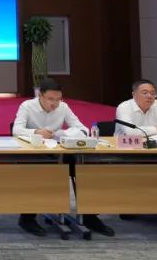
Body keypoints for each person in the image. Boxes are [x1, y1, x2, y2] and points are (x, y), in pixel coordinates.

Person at [11, 78, 112, 237]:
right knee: (37, 174)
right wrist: (36, 132)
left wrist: (63, 134)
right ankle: (27, 218)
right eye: (50, 99)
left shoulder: (63, 107)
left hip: (58, 152)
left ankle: (89, 216)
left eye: (58, 99)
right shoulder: (27, 106)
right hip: (33, 154)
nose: (55, 103)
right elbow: (16, 130)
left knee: (84, 169)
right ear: (40, 96)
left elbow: (82, 129)